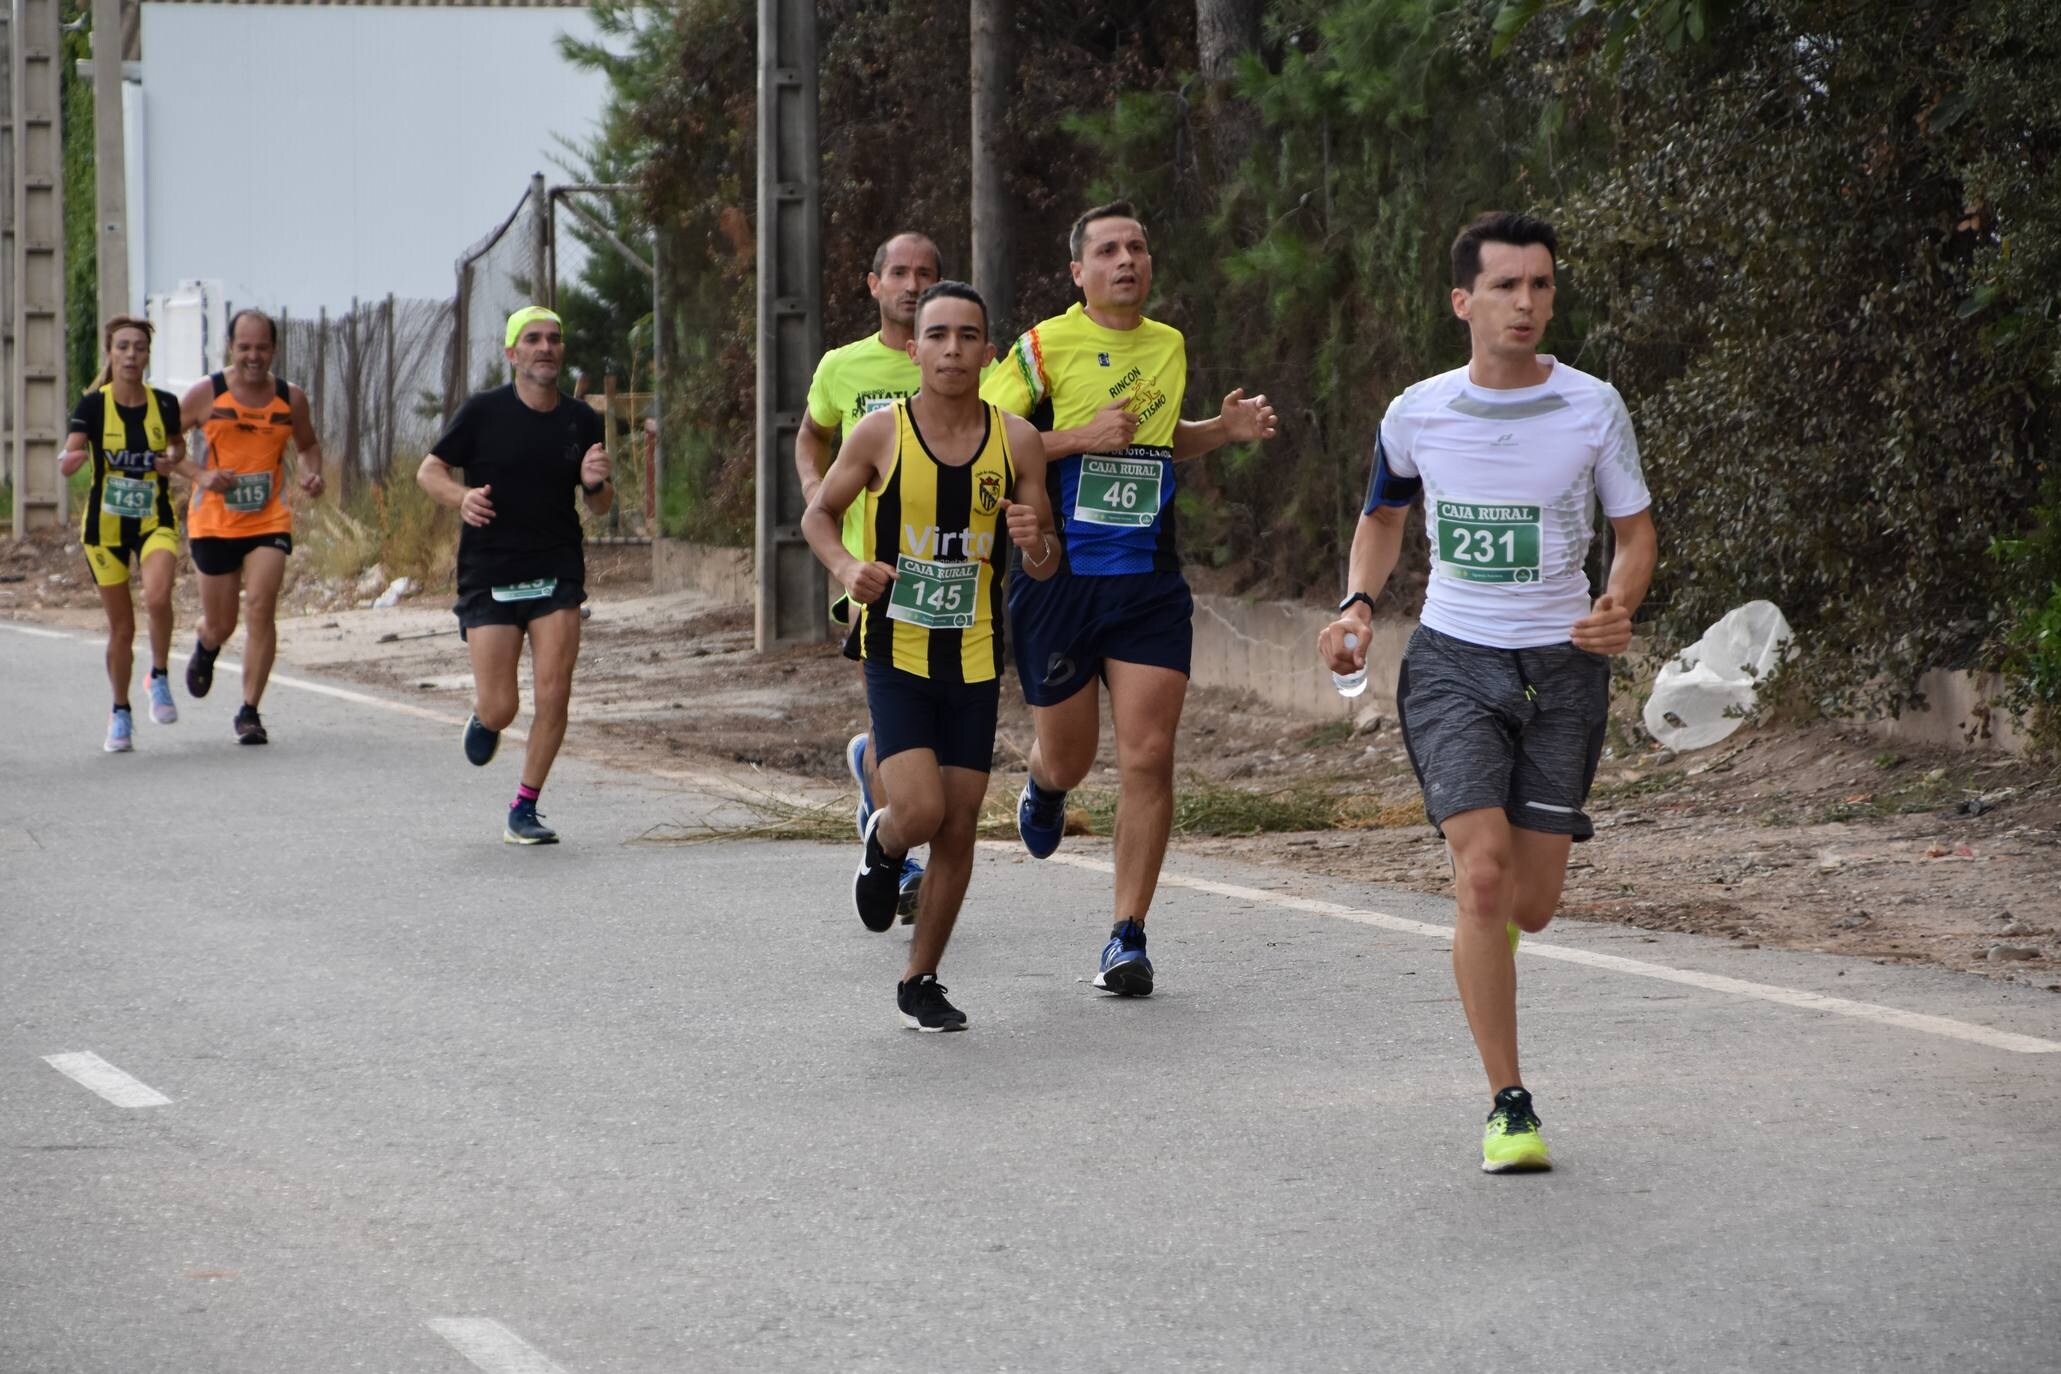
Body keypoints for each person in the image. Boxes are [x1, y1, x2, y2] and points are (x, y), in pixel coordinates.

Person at [1317, 211, 1657, 1173]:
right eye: (1506, 286)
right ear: (1462, 301)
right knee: (1480, 878)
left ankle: (1493, 934)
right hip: (1453, 661)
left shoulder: (1593, 407)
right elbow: (1382, 517)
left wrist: (1617, 602)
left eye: (1540, 286)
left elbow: (1632, 535)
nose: (1526, 302)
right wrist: (1354, 607)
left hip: (1561, 672)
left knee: (1533, 903)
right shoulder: (1417, 412)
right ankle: (1509, 1103)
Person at [981, 200, 1276, 996]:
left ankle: (1126, 935)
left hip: (1146, 579)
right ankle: (1044, 785)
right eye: (1107, 250)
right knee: (1073, 756)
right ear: (1078, 272)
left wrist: (1220, 429)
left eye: (1137, 248)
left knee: (1148, 755)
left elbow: (1156, 435)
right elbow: (977, 437)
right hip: (1058, 578)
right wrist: (1079, 439)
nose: (1125, 261)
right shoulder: (1042, 346)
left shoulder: (1168, 344)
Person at [801, 281, 1058, 1031]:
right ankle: (882, 847)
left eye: (967, 335)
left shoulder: (1016, 440)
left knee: (959, 824)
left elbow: (1043, 561)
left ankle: (922, 979)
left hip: (974, 654)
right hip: (896, 646)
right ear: (913, 349)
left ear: (986, 350)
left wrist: (1032, 539)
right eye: (936, 335)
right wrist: (849, 571)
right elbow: (819, 516)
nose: (951, 348)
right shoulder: (880, 434)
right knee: (918, 810)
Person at [417, 306, 612, 845]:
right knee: (503, 706)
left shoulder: (582, 420)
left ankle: (524, 807)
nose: (545, 347)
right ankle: (485, 718)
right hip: (491, 571)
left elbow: (599, 506)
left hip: (556, 568)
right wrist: (461, 498)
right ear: (512, 354)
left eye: (554, 338)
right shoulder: (482, 412)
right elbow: (429, 470)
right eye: (532, 339)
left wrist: (596, 484)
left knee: (554, 695)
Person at [797, 231, 943, 919]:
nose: (911, 285)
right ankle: (901, 855)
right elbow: (810, 432)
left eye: (925, 274)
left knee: (935, 724)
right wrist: (816, 491)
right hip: (872, 574)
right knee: (901, 711)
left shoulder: (959, 358)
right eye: (899, 273)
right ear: (873, 284)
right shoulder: (842, 366)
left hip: (949, 570)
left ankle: (869, 774)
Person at [179, 309, 327, 744]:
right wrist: (200, 474)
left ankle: (249, 711)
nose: (253, 356)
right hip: (214, 521)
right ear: (231, 348)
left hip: (268, 518)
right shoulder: (207, 393)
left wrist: (310, 473)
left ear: (274, 349)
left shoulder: (289, 397)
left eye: (262, 347)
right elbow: (163, 445)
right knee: (221, 623)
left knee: (261, 605)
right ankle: (207, 646)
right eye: (245, 347)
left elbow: (309, 444)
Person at [60, 316, 194, 752]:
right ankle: (120, 711)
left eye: (139, 347)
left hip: (153, 520)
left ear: (147, 355)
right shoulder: (93, 406)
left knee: (158, 596)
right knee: (122, 627)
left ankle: (158, 675)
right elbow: (71, 452)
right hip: (105, 528)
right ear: (111, 354)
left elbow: (177, 445)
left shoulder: (166, 403)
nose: (131, 355)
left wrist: (171, 458)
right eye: (123, 347)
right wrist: (71, 461)